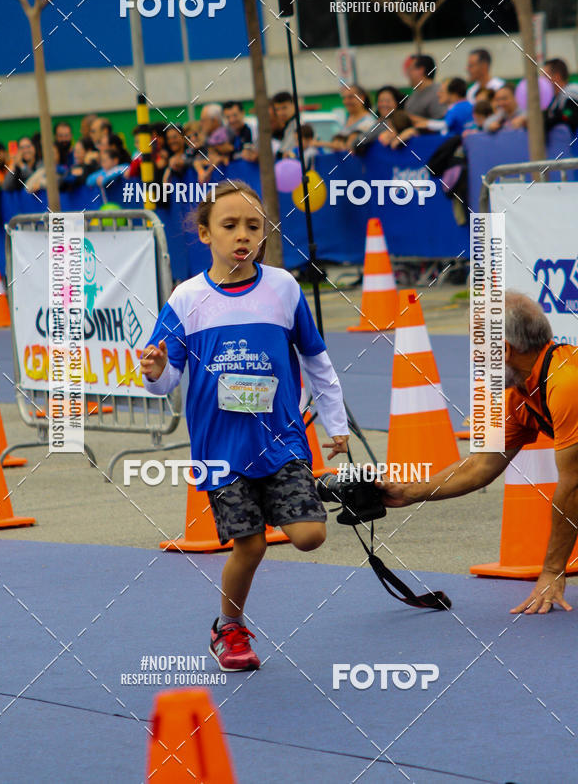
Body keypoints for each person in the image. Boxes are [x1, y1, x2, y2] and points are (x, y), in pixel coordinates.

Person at [140, 181, 349, 671]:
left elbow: (316, 359)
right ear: (205, 233)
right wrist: (154, 373)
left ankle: (292, 492)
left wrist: (335, 423)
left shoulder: (283, 287)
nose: (242, 235)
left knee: (310, 536)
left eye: (253, 226)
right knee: (250, 545)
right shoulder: (187, 298)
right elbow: (165, 374)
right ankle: (228, 628)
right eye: (229, 225)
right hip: (221, 450)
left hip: (281, 441)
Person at [381, 291, 578, 615]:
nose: (475, 358)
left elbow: (572, 488)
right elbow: (480, 465)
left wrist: (552, 571)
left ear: (503, 350)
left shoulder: (566, 383)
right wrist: (408, 492)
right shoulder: (522, 393)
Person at [403, 54, 447, 125]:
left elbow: (442, 123)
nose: (408, 73)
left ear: (421, 70)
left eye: (410, 69)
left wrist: (410, 119)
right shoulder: (414, 94)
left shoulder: (438, 93)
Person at [543, 58, 578, 133]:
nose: (542, 80)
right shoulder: (554, 99)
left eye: (545, 76)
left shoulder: (573, 93)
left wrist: (546, 122)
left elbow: (567, 115)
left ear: (557, 76)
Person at [272, 91, 298, 159]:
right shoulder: (287, 125)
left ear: (294, 105)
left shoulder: (297, 125)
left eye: (284, 108)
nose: (280, 113)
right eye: (277, 110)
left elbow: (284, 151)